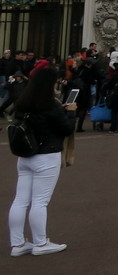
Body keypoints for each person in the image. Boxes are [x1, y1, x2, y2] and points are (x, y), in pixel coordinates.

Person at [7, 66, 75, 257]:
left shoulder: (23, 102)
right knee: (40, 201)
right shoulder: (50, 104)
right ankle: (40, 242)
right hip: (47, 155)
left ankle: (18, 243)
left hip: (26, 155)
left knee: (20, 200)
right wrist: (70, 112)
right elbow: (66, 128)